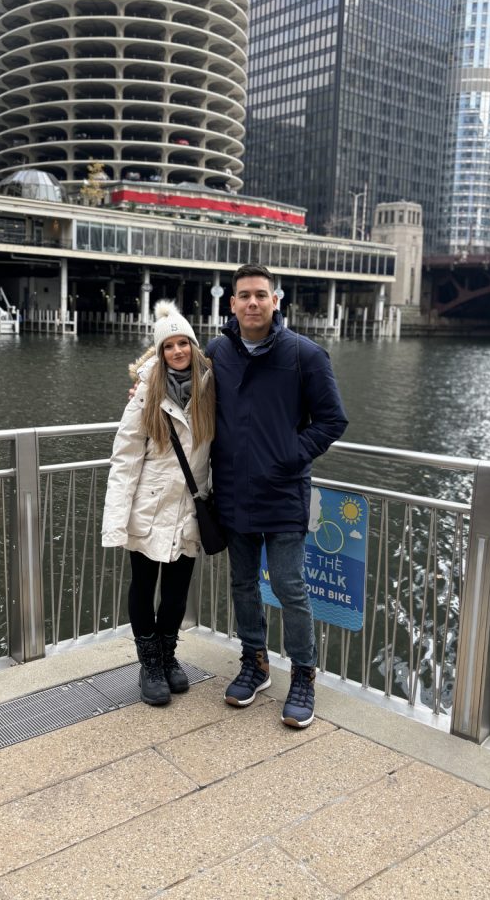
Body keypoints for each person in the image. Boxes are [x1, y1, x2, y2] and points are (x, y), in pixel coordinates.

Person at [207, 264, 348, 729]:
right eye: (243, 295)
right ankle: (255, 663)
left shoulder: (305, 354)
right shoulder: (217, 353)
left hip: (285, 491)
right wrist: (143, 389)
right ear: (231, 304)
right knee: (243, 585)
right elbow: (186, 394)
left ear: (275, 301)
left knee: (290, 587)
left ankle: (304, 675)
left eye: (260, 295)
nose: (252, 303)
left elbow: (332, 420)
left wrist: (293, 454)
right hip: (233, 491)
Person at [102, 300, 216, 706]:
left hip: (189, 504)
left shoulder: (211, 386)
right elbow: (126, 455)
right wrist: (116, 518)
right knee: (144, 584)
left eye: (184, 343)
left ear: (194, 345)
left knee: (177, 589)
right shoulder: (146, 393)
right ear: (160, 352)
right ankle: (149, 663)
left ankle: (168, 656)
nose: (178, 352)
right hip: (149, 504)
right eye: (169, 346)